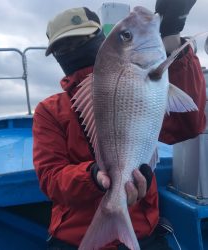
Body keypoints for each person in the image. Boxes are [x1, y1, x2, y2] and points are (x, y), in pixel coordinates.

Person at [33, 1, 206, 249]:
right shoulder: (49, 111)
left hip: (140, 230)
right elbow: (50, 178)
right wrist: (93, 177)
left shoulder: (140, 81)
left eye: (82, 40)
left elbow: (189, 125)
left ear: (100, 39)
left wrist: (171, 40)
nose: (73, 50)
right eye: (64, 47)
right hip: (75, 237)